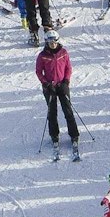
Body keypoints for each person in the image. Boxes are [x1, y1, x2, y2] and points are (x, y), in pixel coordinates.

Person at [37, 31, 80, 159]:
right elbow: (39, 71)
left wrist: (66, 81)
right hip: (49, 87)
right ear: (46, 42)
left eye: (54, 41)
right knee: (52, 112)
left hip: (62, 85)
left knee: (68, 110)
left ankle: (74, 135)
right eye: (50, 42)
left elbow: (68, 68)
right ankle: (54, 136)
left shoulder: (63, 52)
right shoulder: (42, 55)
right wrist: (46, 83)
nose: (53, 44)